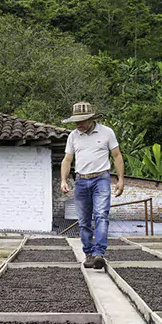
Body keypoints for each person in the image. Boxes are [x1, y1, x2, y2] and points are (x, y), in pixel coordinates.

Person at [60, 102, 124, 269]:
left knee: (101, 215)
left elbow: (117, 156)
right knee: (83, 221)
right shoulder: (73, 136)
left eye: (82, 121)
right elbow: (67, 160)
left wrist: (121, 180)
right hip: (81, 181)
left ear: (91, 119)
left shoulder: (107, 133)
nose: (79, 124)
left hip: (101, 179)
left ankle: (99, 254)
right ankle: (88, 254)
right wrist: (63, 180)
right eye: (76, 121)